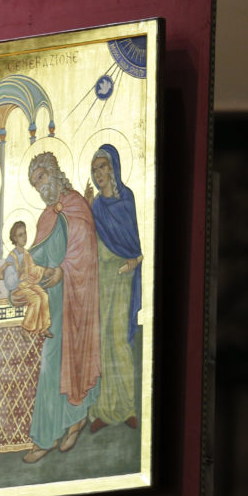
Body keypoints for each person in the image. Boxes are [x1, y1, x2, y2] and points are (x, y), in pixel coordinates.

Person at [23, 153, 101, 463]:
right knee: (51, 366)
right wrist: (23, 279)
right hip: (52, 303)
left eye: (42, 177)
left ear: (55, 174)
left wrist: (63, 271)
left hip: (76, 300)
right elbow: (36, 259)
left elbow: (85, 254)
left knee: (61, 362)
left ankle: (68, 424)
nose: (41, 186)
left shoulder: (76, 206)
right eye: (35, 182)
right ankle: (52, 432)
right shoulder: (46, 217)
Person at [85, 144, 143, 433]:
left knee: (119, 339)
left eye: (103, 167)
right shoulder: (95, 205)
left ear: (114, 168)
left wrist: (134, 261)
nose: (99, 174)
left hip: (121, 277)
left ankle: (127, 407)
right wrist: (84, 209)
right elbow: (89, 238)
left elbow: (136, 243)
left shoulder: (127, 199)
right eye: (95, 169)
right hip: (101, 278)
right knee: (103, 341)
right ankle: (105, 410)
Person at [0, 220, 54, 339]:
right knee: (35, 299)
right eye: (20, 235)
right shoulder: (11, 258)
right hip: (18, 288)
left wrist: (44, 271)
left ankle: (44, 328)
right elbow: (9, 282)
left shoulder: (26, 254)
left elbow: (33, 269)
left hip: (28, 284)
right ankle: (26, 328)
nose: (24, 237)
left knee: (44, 296)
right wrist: (19, 273)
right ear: (14, 238)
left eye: (24, 233)